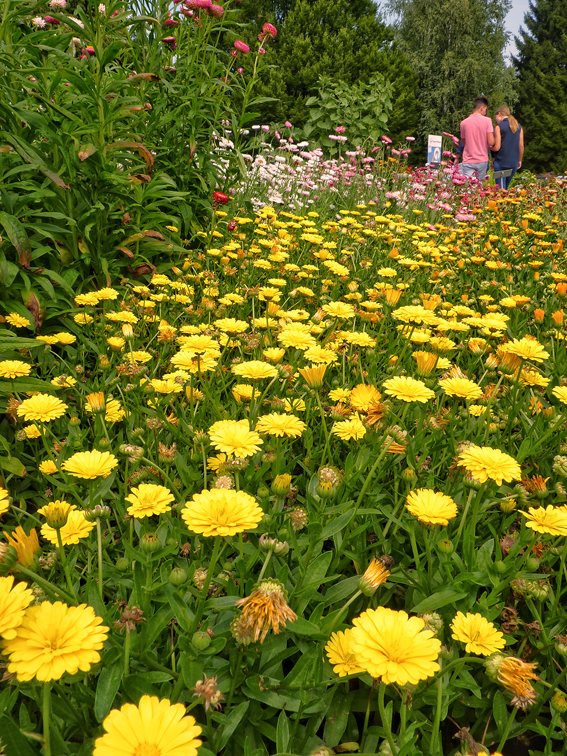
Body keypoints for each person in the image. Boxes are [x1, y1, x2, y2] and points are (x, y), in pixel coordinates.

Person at [459, 96, 495, 181]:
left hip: (468, 160)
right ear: (482, 108)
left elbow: (464, 141)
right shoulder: (487, 121)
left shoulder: (463, 123)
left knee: (468, 187)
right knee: (480, 187)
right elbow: (491, 142)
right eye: (485, 110)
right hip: (482, 159)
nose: (485, 113)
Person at [492, 105, 524, 190]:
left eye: (496, 117)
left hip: (501, 163)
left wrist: (490, 147)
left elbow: (497, 147)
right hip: (513, 162)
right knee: (506, 188)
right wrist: (520, 160)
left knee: (500, 190)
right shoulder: (518, 126)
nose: (496, 120)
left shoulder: (499, 127)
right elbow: (521, 145)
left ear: (499, 114)